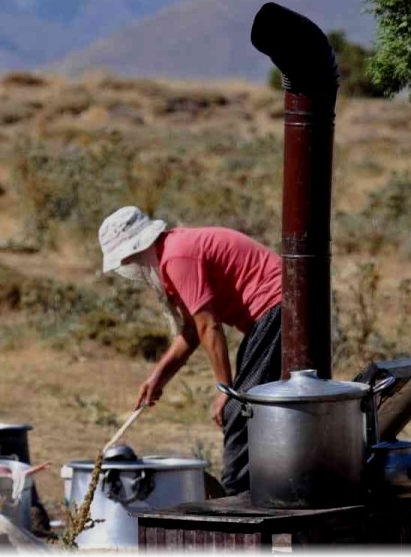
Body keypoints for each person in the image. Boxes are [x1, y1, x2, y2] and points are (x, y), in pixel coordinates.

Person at [98, 206, 283, 496]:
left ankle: (238, 500)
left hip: (276, 307)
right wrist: (158, 378)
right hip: (274, 313)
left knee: (240, 409)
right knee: (259, 408)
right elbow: (192, 331)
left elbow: (208, 326)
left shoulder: (177, 257)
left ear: (140, 248)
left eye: (129, 259)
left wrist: (225, 390)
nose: (131, 267)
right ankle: (264, 487)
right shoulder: (173, 253)